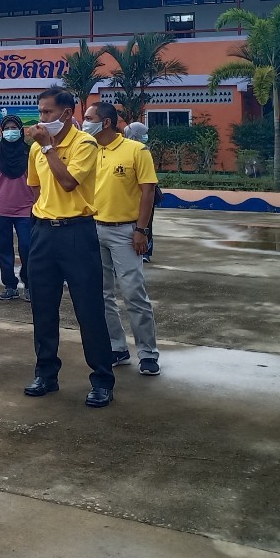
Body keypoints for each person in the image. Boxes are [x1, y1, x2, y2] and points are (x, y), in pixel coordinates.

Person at [24, 87, 116, 408]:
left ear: (66, 114)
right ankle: (46, 373)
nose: (42, 118)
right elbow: (35, 187)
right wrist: (45, 214)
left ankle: (102, 379)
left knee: (89, 309)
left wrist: (48, 148)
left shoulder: (84, 144)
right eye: (40, 112)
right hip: (43, 233)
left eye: (48, 112)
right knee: (42, 307)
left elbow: (67, 183)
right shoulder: (36, 149)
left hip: (77, 232)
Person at [84, 103, 162, 377]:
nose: (85, 123)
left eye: (89, 118)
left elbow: (148, 191)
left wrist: (141, 230)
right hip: (93, 228)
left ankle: (148, 353)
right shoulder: (89, 150)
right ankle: (117, 347)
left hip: (125, 232)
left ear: (106, 122)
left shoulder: (136, 150)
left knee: (133, 293)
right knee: (101, 294)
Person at [0, 114, 38, 302]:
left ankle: (29, 285)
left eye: (13, 128)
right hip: (1, 208)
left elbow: (38, 180)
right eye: (6, 129)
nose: (10, 132)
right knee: (3, 249)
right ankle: (10, 286)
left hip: (26, 208)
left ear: (21, 130)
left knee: (28, 248)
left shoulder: (30, 152)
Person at [123, 121, 156, 261]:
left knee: (146, 222)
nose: (146, 136)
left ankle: (146, 252)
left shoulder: (143, 150)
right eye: (143, 134)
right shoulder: (124, 150)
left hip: (145, 192)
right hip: (130, 195)